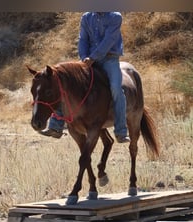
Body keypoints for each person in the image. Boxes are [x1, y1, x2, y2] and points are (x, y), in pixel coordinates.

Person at [40, 12, 130, 143]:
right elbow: (83, 39)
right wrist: (83, 58)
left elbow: (109, 40)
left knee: (116, 89)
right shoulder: (86, 17)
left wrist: (93, 57)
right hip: (88, 60)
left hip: (109, 59)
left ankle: (121, 131)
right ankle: (56, 126)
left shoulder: (115, 17)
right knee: (66, 85)